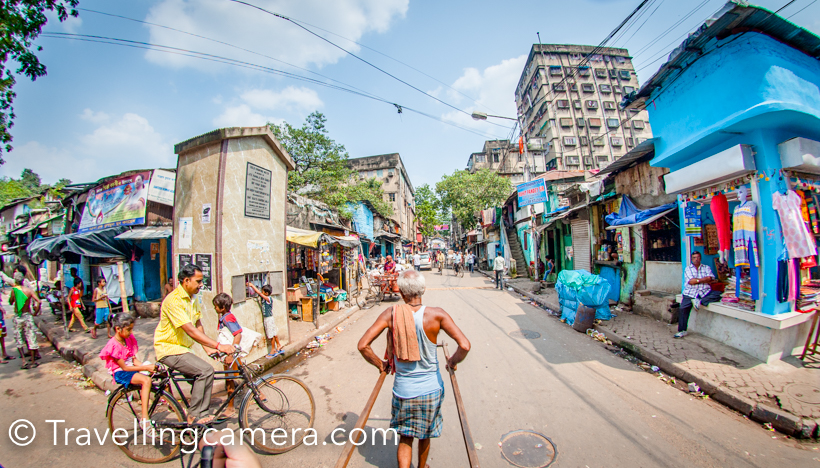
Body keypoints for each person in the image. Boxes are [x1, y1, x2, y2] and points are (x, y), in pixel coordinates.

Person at [357, 270, 471, 468]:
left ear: (401, 293)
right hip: (431, 390)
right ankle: (421, 466)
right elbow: (464, 345)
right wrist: (452, 361)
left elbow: (362, 345)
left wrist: (381, 364)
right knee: (424, 434)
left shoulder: (390, 314)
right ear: (424, 290)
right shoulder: (438, 315)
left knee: (406, 437)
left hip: (404, 391)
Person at [154, 264, 236, 424]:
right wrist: (219, 346)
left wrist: (207, 349)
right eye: (198, 281)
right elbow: (190, 330)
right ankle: (195, 415)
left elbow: (197, 323)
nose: (201, 284)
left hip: (183, 349)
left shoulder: (192, 298)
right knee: (205, 371)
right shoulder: (173, 301)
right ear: (186, 280)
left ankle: (196, 415)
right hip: (169, 349)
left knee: (205, 376)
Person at [100, 313, 156, 433]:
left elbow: (134, 360)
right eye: (128, 329)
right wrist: (145, 368)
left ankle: (163, 400)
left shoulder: (128, 339)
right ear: (118, 329)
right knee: (146, 380)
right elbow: (124, 367)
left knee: (159, 372)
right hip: (121, 372)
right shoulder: (113, 345)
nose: (131, 332)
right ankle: (145, 418)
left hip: (130, 368)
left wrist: (147, 366)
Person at [676, 252, 721, 338]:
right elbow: (691, 282)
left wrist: (697, 280)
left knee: (718, 294)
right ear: (692, 259)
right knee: (683, 309)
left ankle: (700, 301)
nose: (696, 259)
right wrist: (703, 280)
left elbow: (711, 278)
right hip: (690, 293)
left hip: (704, 292)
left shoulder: (706, 268)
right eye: (694, 258)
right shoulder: (688, 269)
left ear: (700, 258)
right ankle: (682, 330)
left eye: (698, 257)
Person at [213, 293, 242, 418]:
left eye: (216, 306)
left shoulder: (227, 318)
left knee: (229, 380)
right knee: (241, 373)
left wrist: (231, 352)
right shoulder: (227, 317)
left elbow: (238, 334)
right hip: (230, 352)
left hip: (230, 354)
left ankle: (231, 407)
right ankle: (257, 394)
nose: (215, 309)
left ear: (222, 307)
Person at [9, 272, 41, 369]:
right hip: (27, 315)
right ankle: (33, 360)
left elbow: (11, 302)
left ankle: (23, 361)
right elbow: (39, 301)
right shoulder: (29, 290)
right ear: (23, 280)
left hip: (18, 316)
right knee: (31, 337)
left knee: (19, 338)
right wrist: (35, 312)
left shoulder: (14, 290)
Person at [246, 282, 283, 358]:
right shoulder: (267, 298)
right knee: (273, 333)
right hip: (269, 318)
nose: (262, 292)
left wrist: (252, 285)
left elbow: (259, 293)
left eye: (263, 291)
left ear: (266, 293)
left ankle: (273, 350)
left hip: (268, 318)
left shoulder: (268, 298)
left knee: (271, 335)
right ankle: (278, 345)